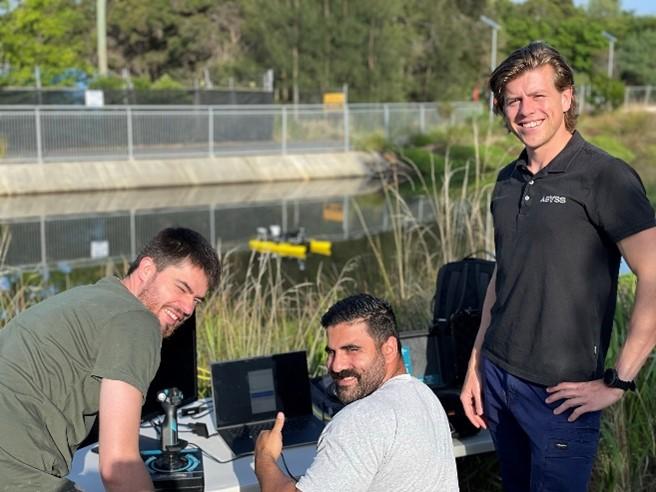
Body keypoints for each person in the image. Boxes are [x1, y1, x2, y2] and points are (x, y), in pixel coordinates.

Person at [459, 41, 656, 492]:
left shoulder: (606, 177)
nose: (525, 110)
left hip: (560, 399)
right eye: (513, 100)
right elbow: (502, 276)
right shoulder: (507, 182)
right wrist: (476, 363)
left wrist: (619, 381)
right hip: (499, 379)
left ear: (566, 98)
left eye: (538, 95)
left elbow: (654, 274)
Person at [0, 227, 220, 491]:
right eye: (181, 288)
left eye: (196, 300)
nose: (187, 309)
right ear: (147, 269)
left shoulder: (91, 298)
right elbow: (118, 467)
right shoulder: (138, 322)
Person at [255, 293, 459, 492]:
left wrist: (264, 458)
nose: (336, 365)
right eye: (331, 352)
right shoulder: (424, 394)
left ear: (389, 348)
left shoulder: (359, 420)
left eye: (352, 349)